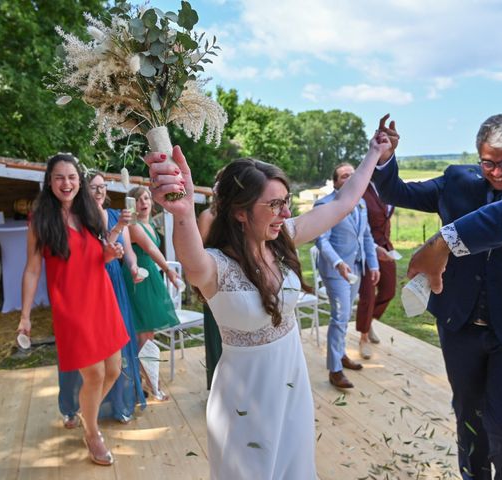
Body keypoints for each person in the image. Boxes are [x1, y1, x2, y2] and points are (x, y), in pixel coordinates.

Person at [144, 131, 391, 479]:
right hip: (244, 397)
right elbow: (190, 257)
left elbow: (343, 202)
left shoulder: (283, 239)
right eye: (274, 204)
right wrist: (182, 212)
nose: (285, 212)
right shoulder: (215, 266)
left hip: (291, 380)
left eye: (286, 202)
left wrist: (374, 152)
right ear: (241, 213)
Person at [373, 113, 502, 480]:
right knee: (468, 418)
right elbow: (400, 193)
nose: (497, 171)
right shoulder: (457, 180)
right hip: (460, 324)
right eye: (488, 162)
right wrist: (385, 160)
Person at [18, 154, 130, 466]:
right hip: (70, 306)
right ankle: (92, 433)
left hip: (102, 297)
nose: (66, 183)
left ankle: (85, 411)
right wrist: (25, 315)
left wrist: (111, 253)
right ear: (49, 182)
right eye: (59, 177)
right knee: (93, 374)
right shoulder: (40, 219)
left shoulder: (90, 212)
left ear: (78, 181)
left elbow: (98, 255)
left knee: (114, 370)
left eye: (71, 177)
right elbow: (31, 270)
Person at [56, 172, 147, 428]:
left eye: (103, 187)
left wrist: (132, 268)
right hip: (88, 285)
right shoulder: (79, 219)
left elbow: (128, 253)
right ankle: (73, 408)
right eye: (93, 187)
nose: (99, 191)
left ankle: (114, 405)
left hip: (114, 282)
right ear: (83, 190)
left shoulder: (118, 215)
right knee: (86, 356)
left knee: (116, 355)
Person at [315, 163, 380, 389]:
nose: (349, 179)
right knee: (340, 316)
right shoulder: (325, 204)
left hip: (357, 269)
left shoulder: (360, 203)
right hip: (335, 270)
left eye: (353, 175)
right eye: (344, 176)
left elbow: (367, 237)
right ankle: (335, 370)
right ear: (335, 183)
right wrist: (338, 263)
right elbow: (321, 240)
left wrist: (373, 265)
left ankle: (341, 354)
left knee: (345, 315)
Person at [122, 186, 180, 350]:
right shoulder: (134, 225)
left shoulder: (151, 225)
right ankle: (145, 375)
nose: (143, 202)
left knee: (149, 332)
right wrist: (168, 270)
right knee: (144, 332)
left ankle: (147, 374)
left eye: (146, 198)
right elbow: (151, 249)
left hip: (151, 276)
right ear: (132, 205)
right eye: (138, 200)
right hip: (138, 277)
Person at [355, 182, 396, 359]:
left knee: (389, 290)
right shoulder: (361, 190)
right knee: (368, 295)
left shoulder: (390, 187)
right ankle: (363, 338)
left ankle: (369, 320)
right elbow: (358, 228)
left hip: (386, 247)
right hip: (365, 249)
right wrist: (372, 247)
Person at [197, 173, 223, 390]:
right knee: (216, 335)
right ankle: (217, 386)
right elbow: (202, 250)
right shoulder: (208, 215)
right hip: (216, 281)